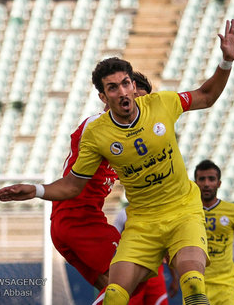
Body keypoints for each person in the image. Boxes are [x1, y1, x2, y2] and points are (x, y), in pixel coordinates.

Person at [0, 19, 234, 305]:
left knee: (187, 282)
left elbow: (207, 96)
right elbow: (73, 185)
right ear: (103, 96)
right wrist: (36, 190)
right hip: (125, 220)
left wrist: (226, 61)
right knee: (123, 291)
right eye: (113, 88)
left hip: (180, 210)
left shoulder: (161, 105)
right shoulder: (96, 133)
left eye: (126, 85)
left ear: (134, 87)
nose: (123, 92)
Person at [49, 71, 171, 305]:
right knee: (131, 274)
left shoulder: (128, 141)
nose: (135, 106)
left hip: (72, 222)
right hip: (78, 220)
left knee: (116, 289)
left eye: (142, 102)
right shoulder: (97, 128)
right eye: (134, 99)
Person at [194, 159, 234, 304]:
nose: (206, 184)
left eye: (211, 179)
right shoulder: (187, 211)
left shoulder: (233, 211)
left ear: (219, 183)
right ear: (195, 183)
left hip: (224, 286)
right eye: (202, 179)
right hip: (194, 285)